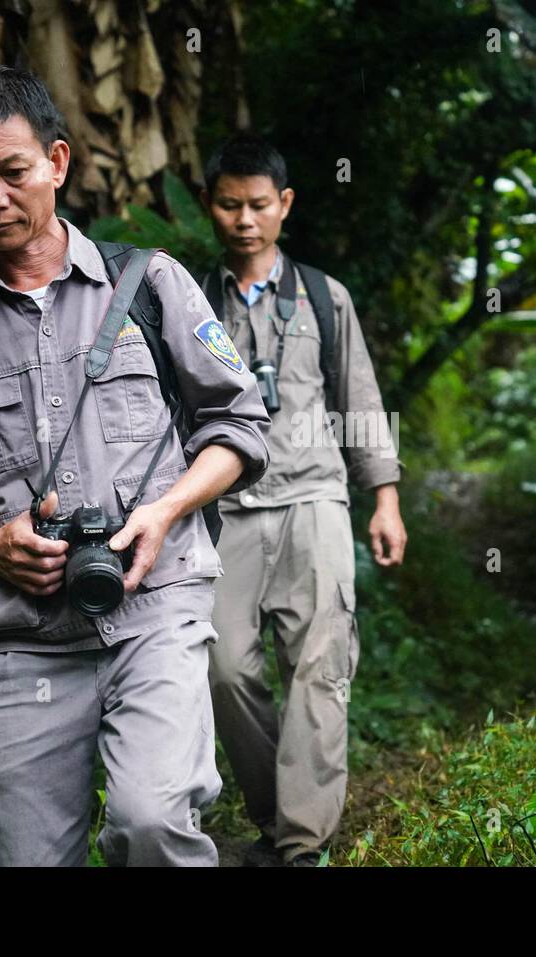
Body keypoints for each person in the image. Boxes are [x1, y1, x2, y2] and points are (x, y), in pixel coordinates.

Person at [0, 65, 270, 866]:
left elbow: (239, 426)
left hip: (154, 613)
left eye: (12, 171)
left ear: (56, 163)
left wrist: (163, 513)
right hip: (17, 640)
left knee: (152, 824)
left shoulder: (152, 284)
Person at [198, 133, 407, 867]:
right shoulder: (187, 299)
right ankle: (272, 815)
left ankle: (301, 846)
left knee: (320, 666)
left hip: (316, 498)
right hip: (223, 511)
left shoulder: (324, 295)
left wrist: (383, 498)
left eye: (259, 205)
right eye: (230, 205)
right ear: (210, 205)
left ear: (284, 205)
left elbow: (360, 399)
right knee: (223, 667)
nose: (245, 220)